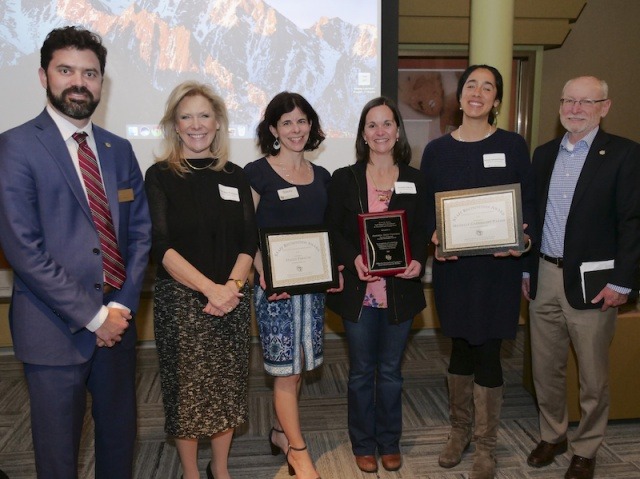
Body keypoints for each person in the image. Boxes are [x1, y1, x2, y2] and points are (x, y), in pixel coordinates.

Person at [0, 26, 151, 478]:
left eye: (90, 73)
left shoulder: (118, 149)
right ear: (44, 76)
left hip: (118, 330)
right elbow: (23, 250)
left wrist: (120, 305)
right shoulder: (15, 148)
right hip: (53, 332)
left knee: (118, 443)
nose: (79, 82)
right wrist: (94, 315)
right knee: (59, 456)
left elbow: (140, 233)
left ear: (102, 82)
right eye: (66, 70)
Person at [420, 65, 536, 479]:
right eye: (472, 85)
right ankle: (459, 432)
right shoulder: (437, 151)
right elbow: (424, 209)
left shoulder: (513, 145)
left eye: (488, 88)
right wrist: (434, 235)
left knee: (489, 352)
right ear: (461, 95)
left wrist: (524, 239)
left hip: (497, 270)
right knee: (460, 351)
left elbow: (529, 207)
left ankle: (486, 446)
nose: (478, 93)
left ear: (496, 101)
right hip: (455, 270)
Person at [523, 76, 640, 479]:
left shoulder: (625, 155)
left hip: (594, 284)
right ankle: (552, 434)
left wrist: (623, 282)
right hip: (543, 275)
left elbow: (633, 223)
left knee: (592, 376)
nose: (574, 108)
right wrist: (526, 268)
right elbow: (533, 219)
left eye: (585, 102)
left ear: (604, 107)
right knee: (545, 368)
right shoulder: (543, 154)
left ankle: (587, 446)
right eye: (568, 100)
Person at [145, 81, 257, 479]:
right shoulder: (160, 176)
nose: (196, 124)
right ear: (174, 125)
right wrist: (211, 289)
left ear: (218, 123)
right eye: (186, 116)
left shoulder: (236, 176)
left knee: (228, 388)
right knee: (188, 394)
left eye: (204, 115)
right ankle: (192, 473)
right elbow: (161, 245)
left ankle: (220, 469)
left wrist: (232, 287)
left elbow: (249, 238)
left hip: (232, 297)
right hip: (182, 303)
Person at [325, 96, 428, 474]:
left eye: (387, 124)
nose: (380, 131)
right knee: (360, 371)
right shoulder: (345, 178)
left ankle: (389, 442)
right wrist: (353, 259)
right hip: (360, 293)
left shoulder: (416, 179)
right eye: (372, 125)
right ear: (363, 134)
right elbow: (334, 230)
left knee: (390, 371)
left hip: (400, 292)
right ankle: (363, 444)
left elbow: (422, 229)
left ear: (397, 131)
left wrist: (418, 260)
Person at [244, 92, 332, 479]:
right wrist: (264, 272)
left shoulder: (323, 177)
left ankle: (281, 433)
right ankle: (299, 452)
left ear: (310, 125)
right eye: (286, 122)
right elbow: (245, 234)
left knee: (300, 366)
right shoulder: (256, 173)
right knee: (287, 372)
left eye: (302, 121)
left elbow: (327, 234)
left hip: (312, 292)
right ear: (273, 129)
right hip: (274, 290)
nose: (295, 129)